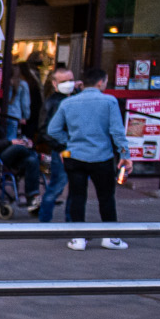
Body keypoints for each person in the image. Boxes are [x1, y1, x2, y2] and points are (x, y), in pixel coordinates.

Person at [44, 65, 130, 250]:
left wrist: (67, 142)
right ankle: (110, 237)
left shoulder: (68, 103)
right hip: (102, 157)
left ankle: (78, 238)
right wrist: (125, 155)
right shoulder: (109, 102)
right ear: (101, 82)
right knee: (106, 197)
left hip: (75, 156)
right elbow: (117, 132)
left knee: (77, 196)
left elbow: (52, 130)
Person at [33, 64, 77, 224]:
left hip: (77, 149)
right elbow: (44, 130)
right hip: (63, 151)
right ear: (54, 83)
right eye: (64, 81)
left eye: (71, 80)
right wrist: (60, 148)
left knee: (76, 187)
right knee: (57, 185)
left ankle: (72, 221)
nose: (69, 84)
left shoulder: (74, 97)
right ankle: (44, 220)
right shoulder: (52, 102)